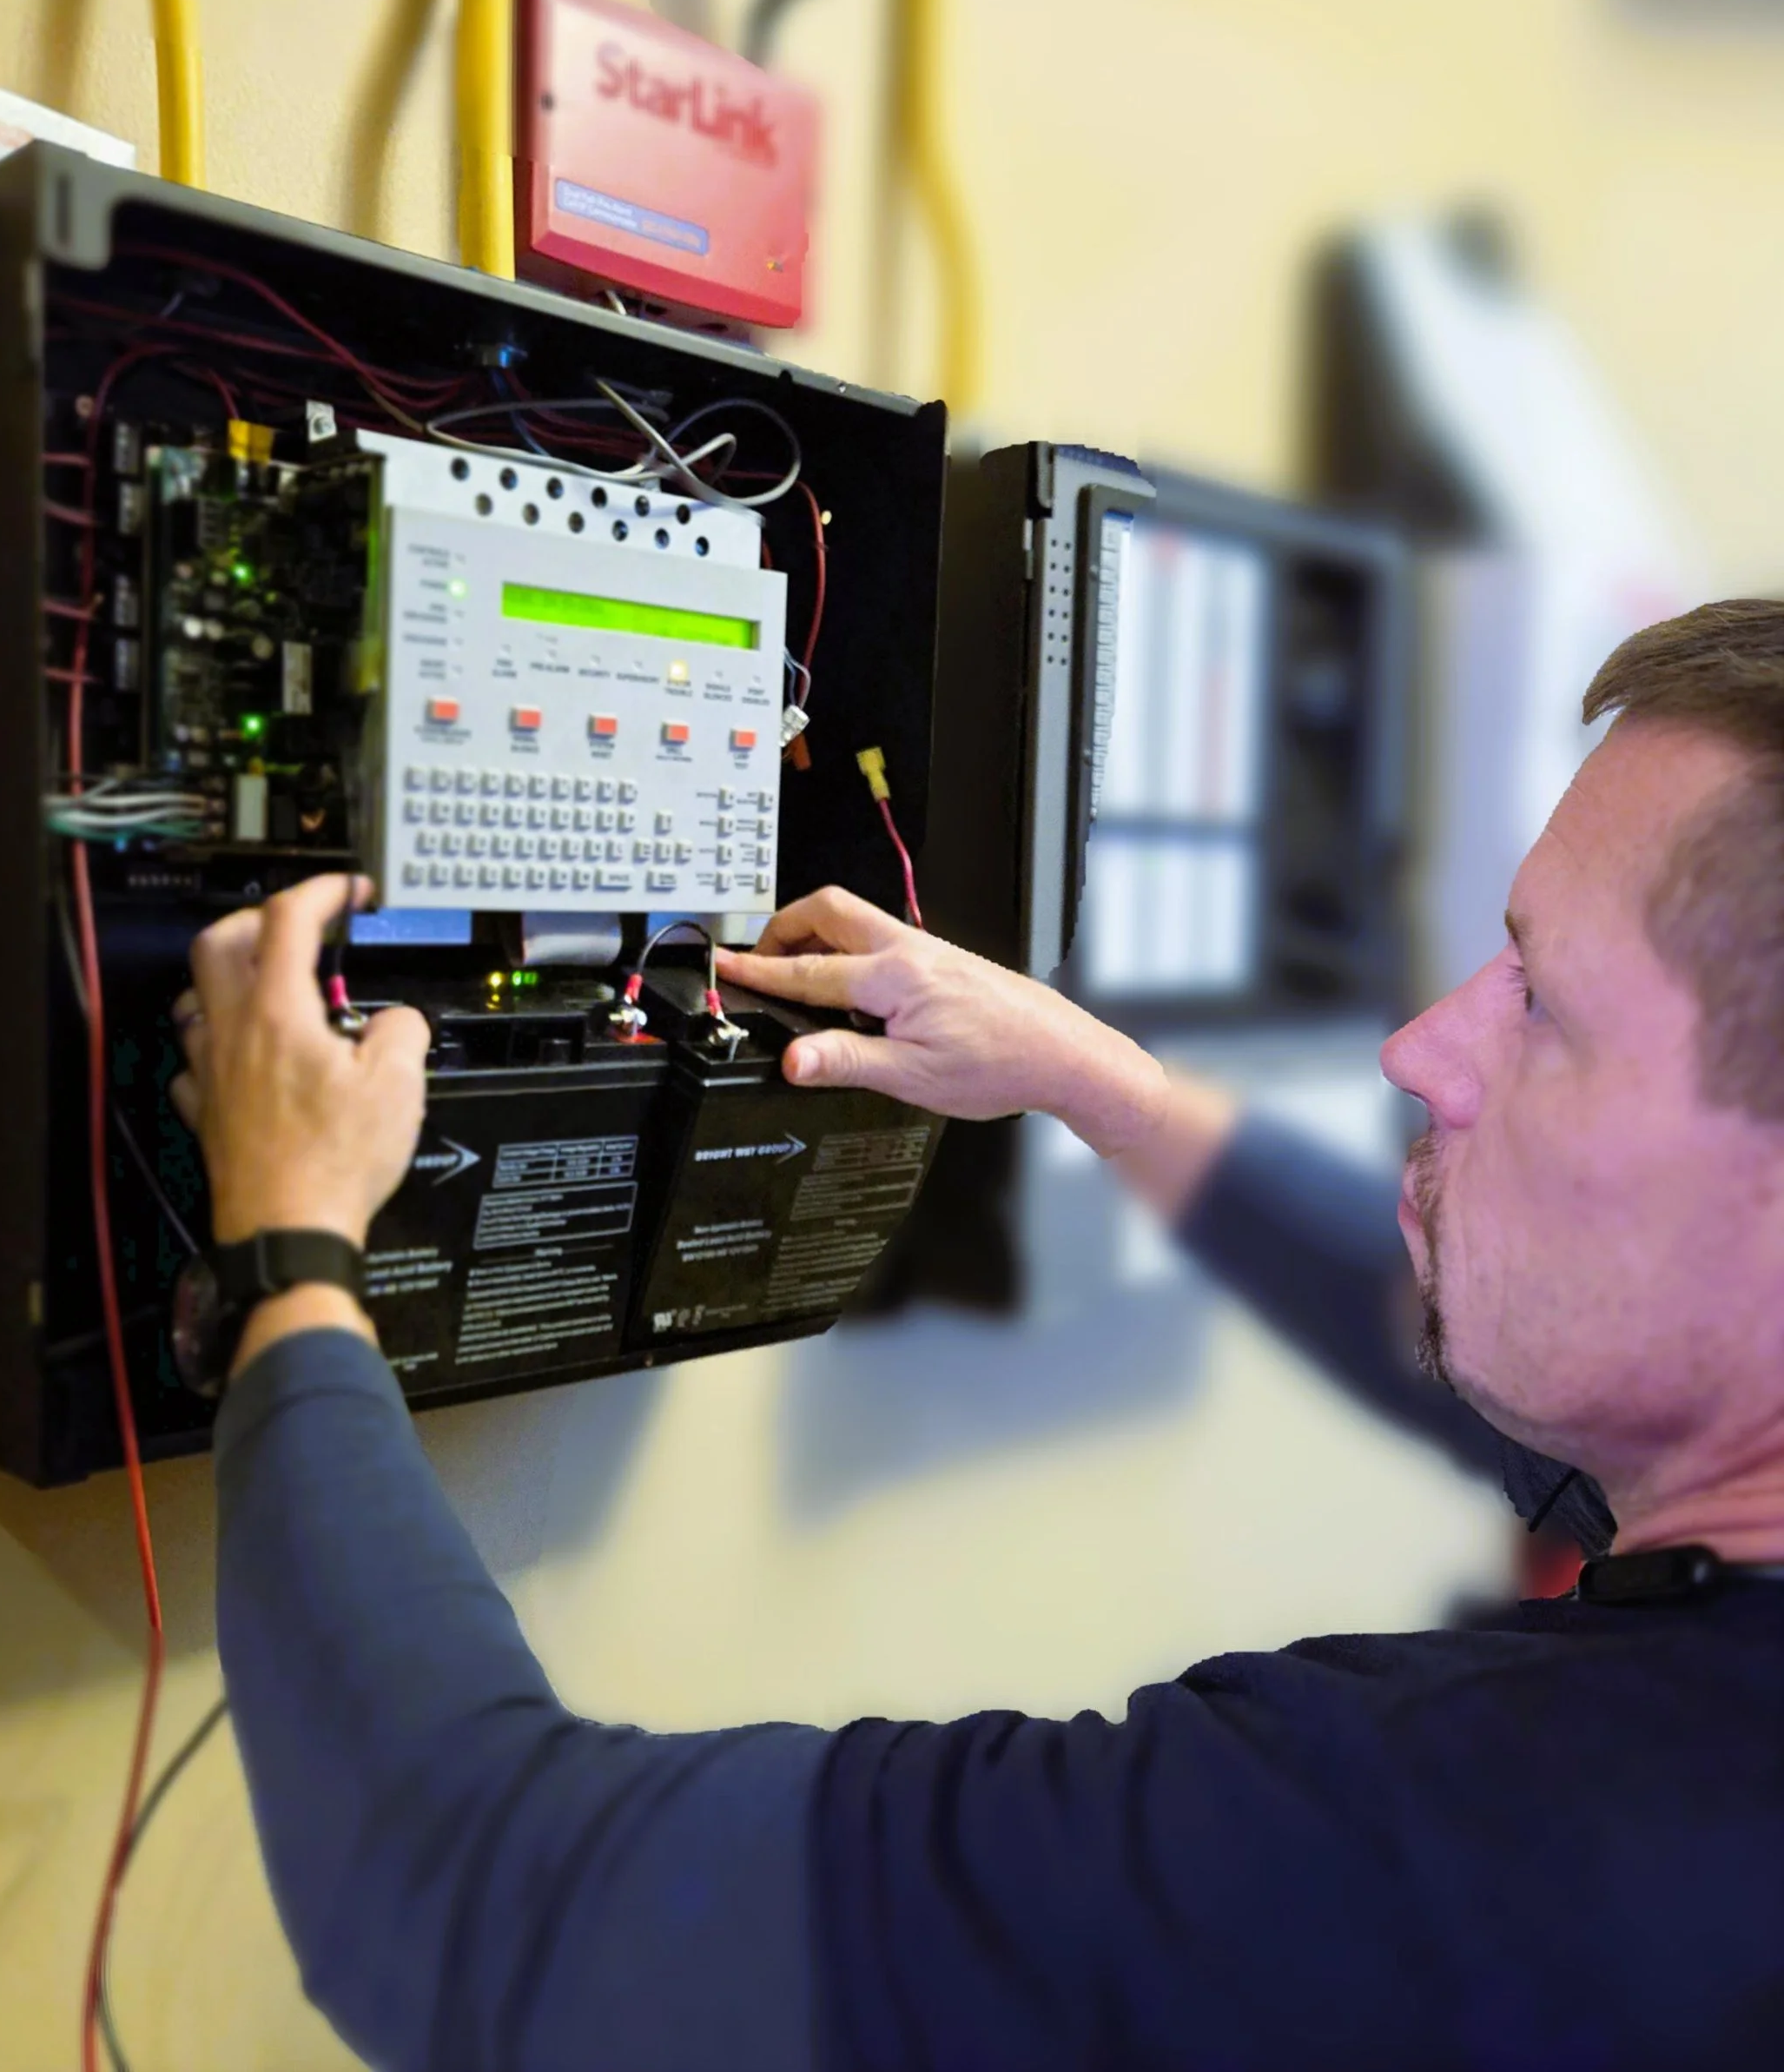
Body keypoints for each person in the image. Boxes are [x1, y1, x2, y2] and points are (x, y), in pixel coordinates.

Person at [171, 601, 1784, 2070]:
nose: (1422, 1048)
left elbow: (472, 1897)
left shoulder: (1451, 1846)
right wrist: (1097, 1078)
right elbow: (1495, 1361)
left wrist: (291, 1254)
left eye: (1542, 1002)